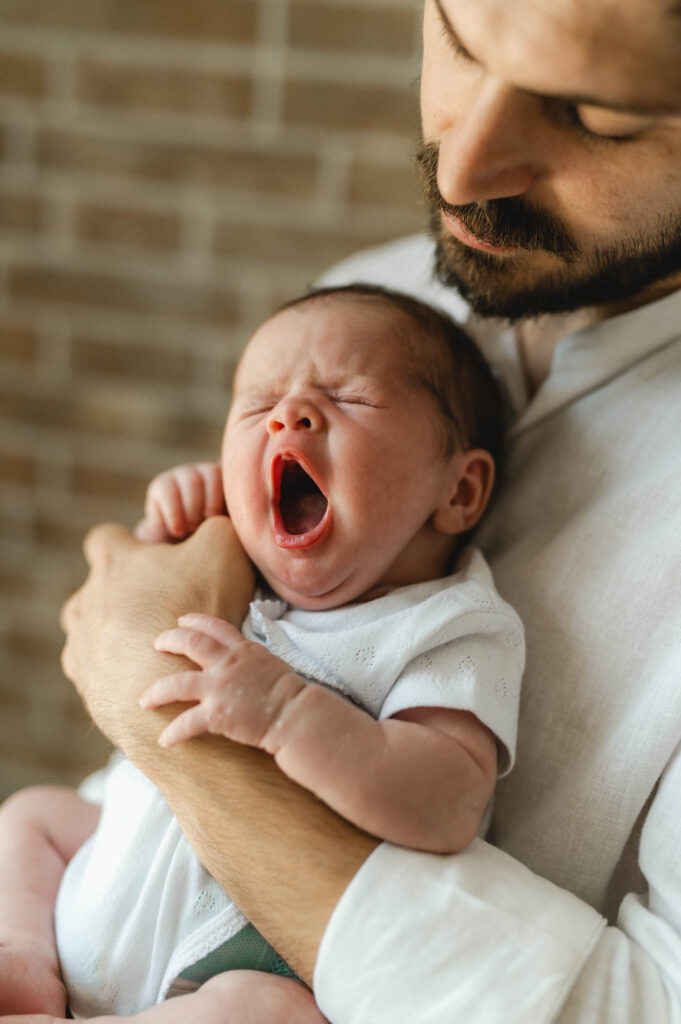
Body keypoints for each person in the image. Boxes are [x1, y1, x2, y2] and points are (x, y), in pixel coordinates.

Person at [54, 0, 681, 1020]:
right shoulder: (371, 299)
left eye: (599, 117)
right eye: (460, 41)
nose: (464, 166)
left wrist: (142, 686)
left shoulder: (454, 639)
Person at [0, 285, 524, 1019]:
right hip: (110, 873)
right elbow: (142, 619)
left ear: (459, 490)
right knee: (32, 817)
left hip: (224, 960)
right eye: (256, 406)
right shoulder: (239, 564)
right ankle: (21, 958)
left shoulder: (448, 625)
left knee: (269, 1011)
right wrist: (170, 532)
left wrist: (286, 712)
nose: (289, 414)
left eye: (347, 397)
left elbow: (447, 802)